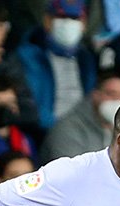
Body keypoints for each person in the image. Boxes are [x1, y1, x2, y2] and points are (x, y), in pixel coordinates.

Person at [14, 0, 97, 132]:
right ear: (47, 21)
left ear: (84, 24)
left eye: (74, 18)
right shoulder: (27, 56)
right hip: (41, 133)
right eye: (62, 17)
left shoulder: (87, 59)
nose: (68, 23)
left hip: (82, 132)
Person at [39, 68, 120, 163]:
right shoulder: (67, 129)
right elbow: (72, 174)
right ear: (95, 95)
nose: (117, 100)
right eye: (110, 94)